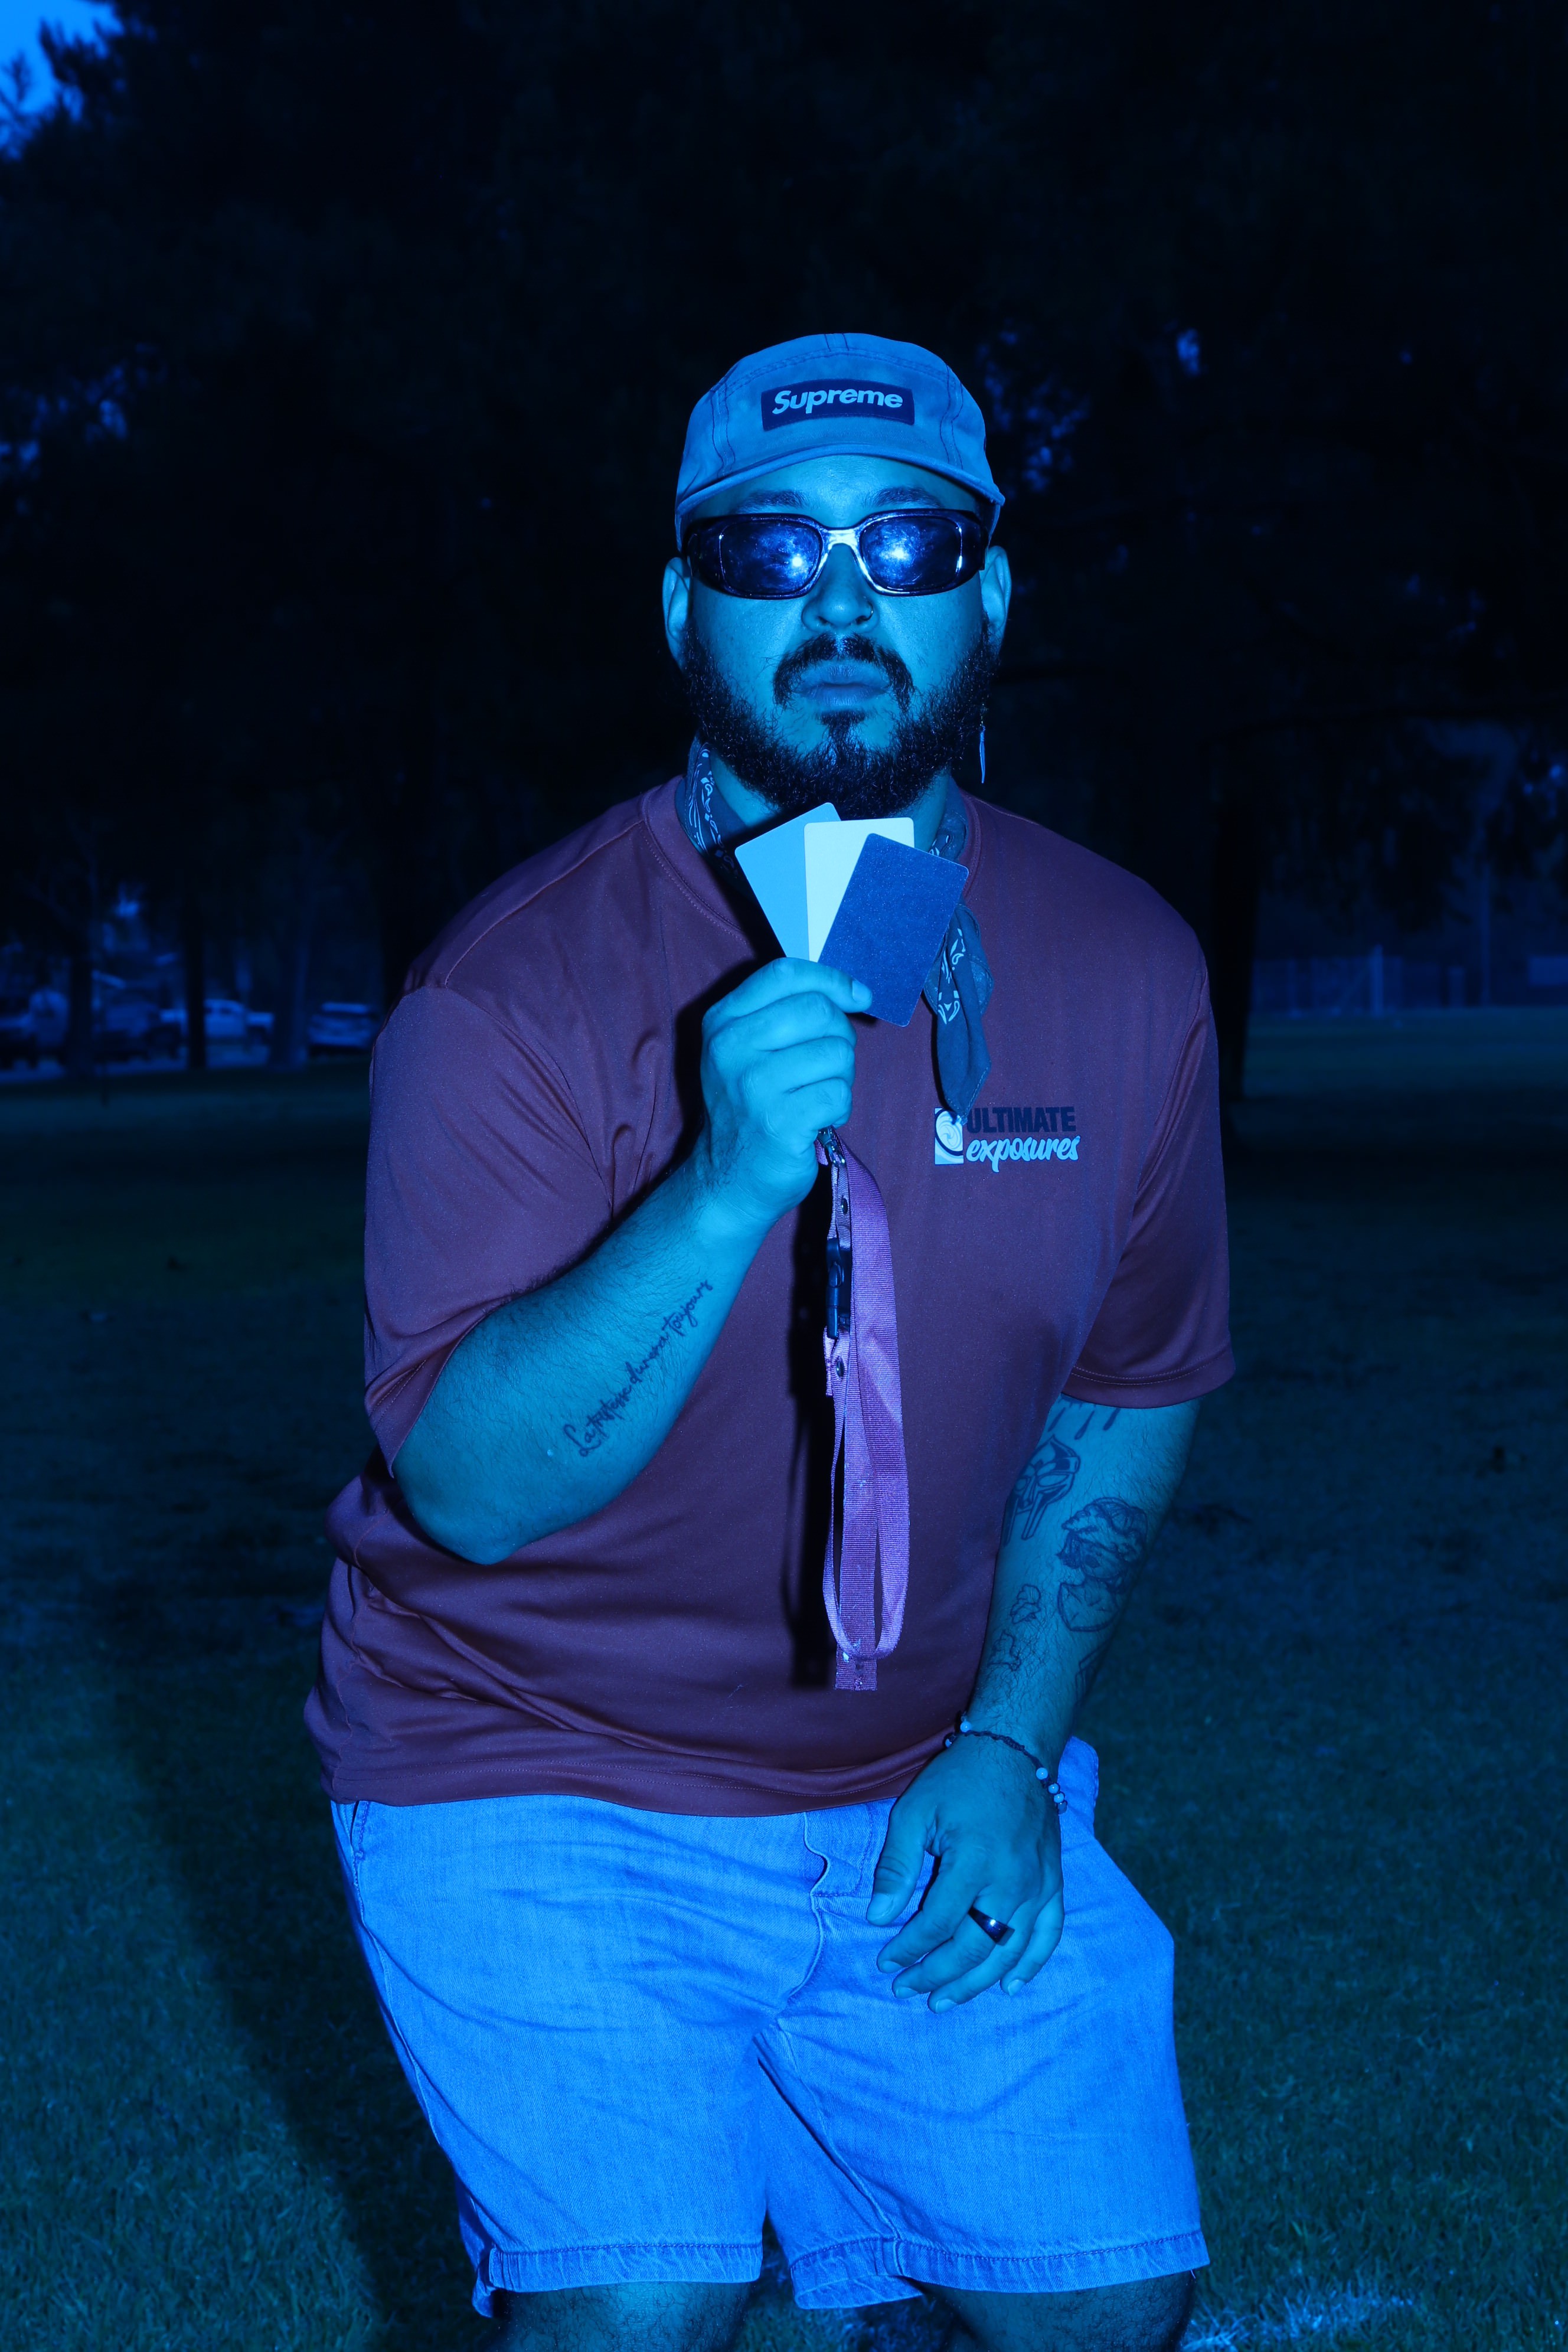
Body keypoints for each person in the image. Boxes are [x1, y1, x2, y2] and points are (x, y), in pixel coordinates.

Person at [308, 331, 1234, 2352]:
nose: (838, 601)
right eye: (767, 548)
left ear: (993, 593)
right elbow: (467, 1491)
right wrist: (723, 1186)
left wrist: (1010, 1743)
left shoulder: (1127, 968)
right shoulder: (507, 997)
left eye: (908, 544)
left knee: (1110, 2305)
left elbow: (1129, 1386)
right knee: (642, 2307)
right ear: (681, 606)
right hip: (534, 1757)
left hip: (914, 1769)